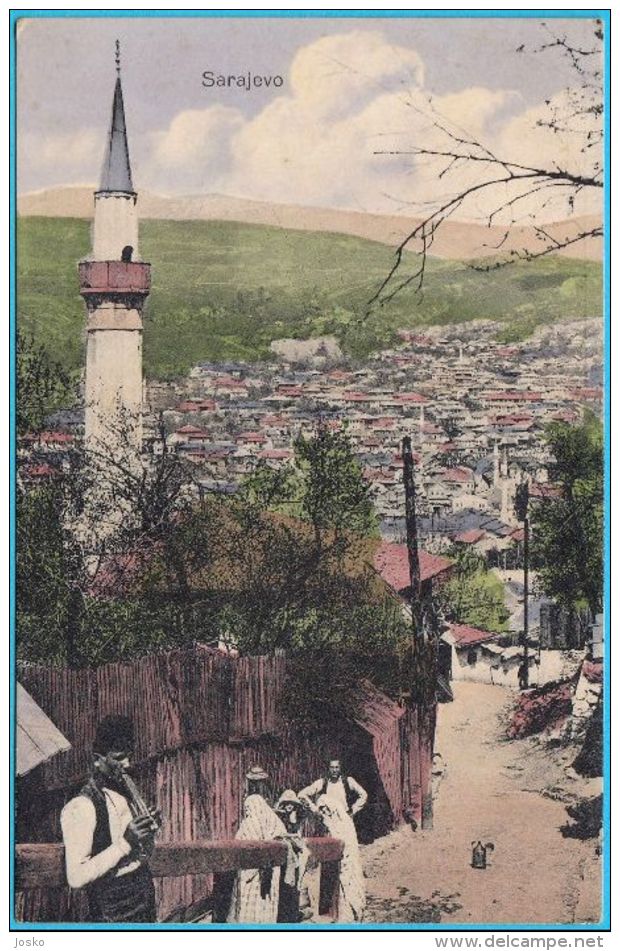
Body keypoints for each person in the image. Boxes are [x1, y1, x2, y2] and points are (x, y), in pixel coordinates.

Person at [60, 714, 159, 923]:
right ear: (98, 759)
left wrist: (148, 834)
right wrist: (126, 842)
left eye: (129, 756)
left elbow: (143, 856)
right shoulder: (82, 806)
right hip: (112, 911)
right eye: (119, 757)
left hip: (144, 897)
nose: (127, 763)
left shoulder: (126, 795)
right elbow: (76, 877)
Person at [299, 759, 367, 923]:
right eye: (332, 767)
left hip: (343, 822)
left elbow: (363, 795)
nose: (334, 770)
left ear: (340, 769)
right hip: (326, 824)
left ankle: (344, 900)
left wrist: (352, 811)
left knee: (345, 860)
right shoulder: (322, 783)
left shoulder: (347, 781)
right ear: (328, 769)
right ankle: (324, 901)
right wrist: (316, 810)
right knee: (326, 861)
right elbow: (302, 794)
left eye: (337, 767)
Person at [227, 766, 287, 924]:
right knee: (265, 905)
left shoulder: (254, 805)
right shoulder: (269, 813)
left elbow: (252, 840)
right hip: (269, 866)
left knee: (252, 906)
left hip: (256, 869)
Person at [316, 795, 366, 923]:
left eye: (325, 809)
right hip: (337, 861)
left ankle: (352, 914)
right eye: (321, 810)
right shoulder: (329, 822)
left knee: (349, 888)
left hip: (347, 861)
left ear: (331, 807)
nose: (323, 813)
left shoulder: (343, 822)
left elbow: (344, 842)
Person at [274, 789, 311, 922]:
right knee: (284, 883)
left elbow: (305, 812)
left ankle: (292, 913)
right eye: (287, 803)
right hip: (284, 853)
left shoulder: (296, 817)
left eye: (291, 803)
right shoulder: (279, 817)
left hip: (295, 854)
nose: (289, 806)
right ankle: (283, 915)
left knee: (294, 884)